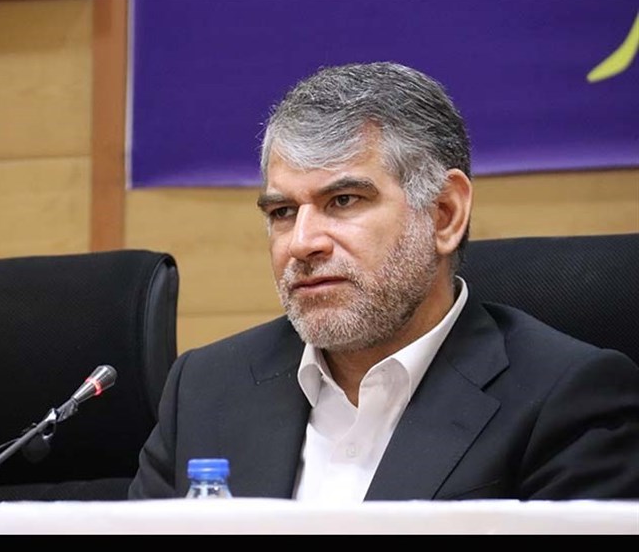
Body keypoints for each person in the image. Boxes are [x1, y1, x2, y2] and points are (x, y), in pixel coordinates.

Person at [128, 62, 639, 501]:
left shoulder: (566, 401)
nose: (302, 243)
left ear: (443, 214)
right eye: (282, 211)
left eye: (343, 201)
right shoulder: (205, 388)